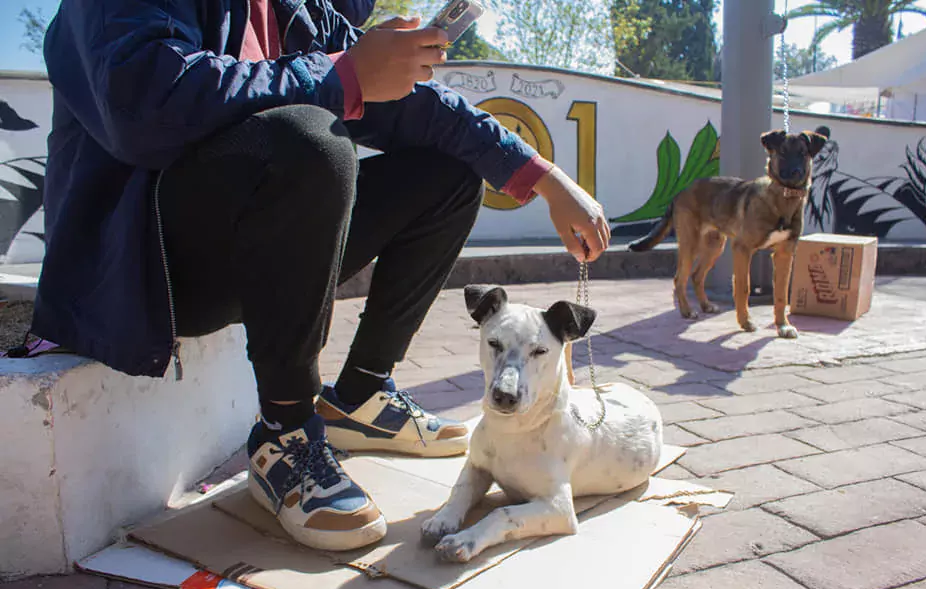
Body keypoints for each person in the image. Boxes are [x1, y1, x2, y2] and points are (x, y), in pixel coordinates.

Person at [35, 0, 611, 551]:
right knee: (310, 139)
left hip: (258, 245)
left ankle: (360, 393)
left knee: (449, 171)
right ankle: (285, 435)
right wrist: (342, 75)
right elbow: (142, 101)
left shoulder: (294, 6)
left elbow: (423, 107)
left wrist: (543, 178)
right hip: (146, 264)